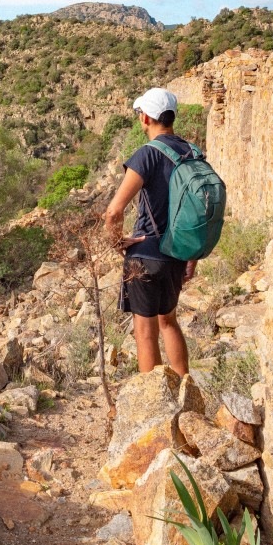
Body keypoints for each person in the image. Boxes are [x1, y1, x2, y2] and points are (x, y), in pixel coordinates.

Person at [103, 87, 197, 377]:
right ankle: (185, 390)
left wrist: (117, 241)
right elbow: (197, 210)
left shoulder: (148, 154)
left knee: (145, 333)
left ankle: (154, 405)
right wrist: (193, 254)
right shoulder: (191, 152)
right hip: (178, 253)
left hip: (145, 253)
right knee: (168, 321)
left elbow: (114, 211)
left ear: (145, 117)